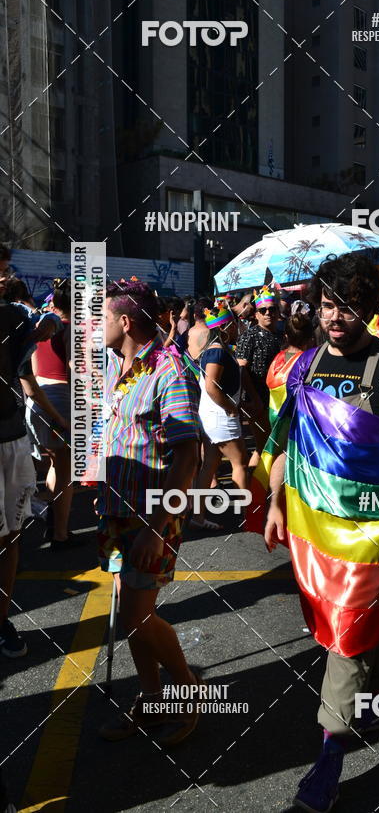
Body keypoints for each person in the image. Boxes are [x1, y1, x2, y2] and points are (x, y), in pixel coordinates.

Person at [255, 253, 379, 813]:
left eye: (349, 306)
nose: (335, 316)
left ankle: (330, 757)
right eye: (328, 304)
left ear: (372, 307)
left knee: (344, 634)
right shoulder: (303, 365)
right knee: (336, 625)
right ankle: (377, 690)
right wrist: (275, 503)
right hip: (313, 525)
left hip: (374, 529)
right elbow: (284, 440)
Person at [98, 279, 202, 747]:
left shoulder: (168, 368)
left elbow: (188, 456)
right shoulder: (118, 366)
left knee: (138, 616)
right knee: (129, 612)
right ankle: (153, 700)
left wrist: (155, 529)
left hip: (150, 518)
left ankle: (189, 692)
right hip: (117, 512)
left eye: (100, 316)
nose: (94, 325)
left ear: (124, 322)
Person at [27, 278, 77, 548]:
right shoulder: (73, 331)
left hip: (37, 397)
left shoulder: (38, 328)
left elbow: (32, 369)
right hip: (61, 398)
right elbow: (72, 369)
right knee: (65, 469)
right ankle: (60, 532)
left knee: (54, 462)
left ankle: (52, 522)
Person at [0, 297, 37, 657]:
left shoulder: (13, 314)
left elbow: (45, 323)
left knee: (11, 537)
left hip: (13, 439)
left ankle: (1, 619)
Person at [193, 302, 247, 529]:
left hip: (213, 416)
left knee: (210, 465)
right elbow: (211, 386)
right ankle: (246, 516)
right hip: (220, 417)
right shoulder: (216, 350)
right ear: (224, 328)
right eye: (233, 325)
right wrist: (230, 408)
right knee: (240, 462)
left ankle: (197, 516)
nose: (237, 328)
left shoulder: (216, 348)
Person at [236, 288, 282, 466]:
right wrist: (254, 399)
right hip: (256, 399)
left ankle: (259, 488)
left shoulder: (279, 335)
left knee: (269, 445)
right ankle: (253, 489)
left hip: (274, 399)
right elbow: (241, 370)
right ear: (256, 314)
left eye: (272, 309)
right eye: (263, 310)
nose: (268, 313)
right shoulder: (249, 336)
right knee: (264, 445)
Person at [266, 300, 315, 427]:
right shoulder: (309, 360)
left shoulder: (278, 358)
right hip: (298, 420)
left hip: (275, 415)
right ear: (310, 337)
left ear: (286, 336)